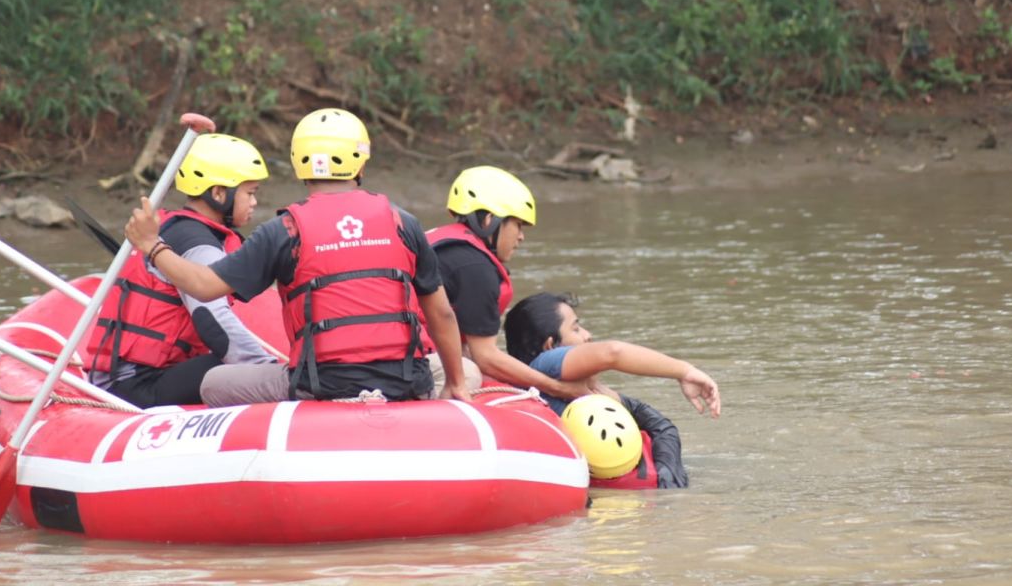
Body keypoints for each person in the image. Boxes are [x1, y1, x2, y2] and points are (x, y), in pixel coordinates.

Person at [122, 107, 469, 405]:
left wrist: (153, 245)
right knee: (469, 371)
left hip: (319, 386)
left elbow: (205, 286)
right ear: (360, 163)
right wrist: (456, 383)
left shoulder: (283, 230)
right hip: (405, 380)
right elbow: (442, 314)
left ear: (299, 164)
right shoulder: (404, 223)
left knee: (214, 381)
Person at [86, 133, 277, 408]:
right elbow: (212, 319)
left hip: (141, 373)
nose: (255, 203)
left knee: (236, 364)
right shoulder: (197, 245)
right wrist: (267, 370)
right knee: (243, 370)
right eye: (250, 193)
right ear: (219, 193)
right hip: (134, 384)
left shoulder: (178, 229)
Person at [504, 292, 721, 488]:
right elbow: (613, 353)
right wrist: (685, 371)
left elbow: (660, 425)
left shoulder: (585, 390)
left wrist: (668, 478)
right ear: (550, 346)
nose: (588, 335)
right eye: (576, 328)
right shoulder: (543, 364)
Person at [424, 166, 588, 402]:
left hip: (388, 353)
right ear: (491, 220)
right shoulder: (475, 267)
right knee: (466, 374)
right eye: (518, 225)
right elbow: (486, 357)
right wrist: (556, 387)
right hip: (402, 361)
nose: (521, 236)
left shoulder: (444, 243)